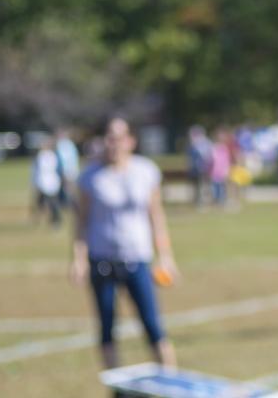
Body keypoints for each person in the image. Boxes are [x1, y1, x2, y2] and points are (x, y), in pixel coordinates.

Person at [70, 117, 178, 370]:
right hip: (102, 261)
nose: (113, 143)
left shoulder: (146, 171)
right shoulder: (90, 176)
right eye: (109, 137)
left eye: (118, 137)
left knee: (153, 325)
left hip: (137, 259)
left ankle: (169, 380)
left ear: (131, 141)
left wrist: (165, 256)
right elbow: (80, 222)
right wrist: (78, 258)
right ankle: (116, 388)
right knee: (107, 327)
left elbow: (156, 216)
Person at [32, 137, 62, 226]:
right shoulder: (47, 155)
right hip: (45, 182)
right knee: (41, 202)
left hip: (49, 182)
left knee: (52, 203)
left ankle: (55, 220)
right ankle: (39, 219)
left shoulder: (46, 156)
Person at [186, 125, 213, 205]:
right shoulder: (192, 144)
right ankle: (198, 201)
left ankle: (205, 201)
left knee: (204, 185)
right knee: (197, 186)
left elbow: (207, 156)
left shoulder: (205, 143)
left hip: (203, 168)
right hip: (195, 169)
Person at [55, 129, 80, 211]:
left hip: (66, 171)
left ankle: (70, 205)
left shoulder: (62, 145)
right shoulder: (71, 144)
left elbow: (62, 160)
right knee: (70, 189)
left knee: (68, 189)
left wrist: (63, 171)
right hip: (73, 170)